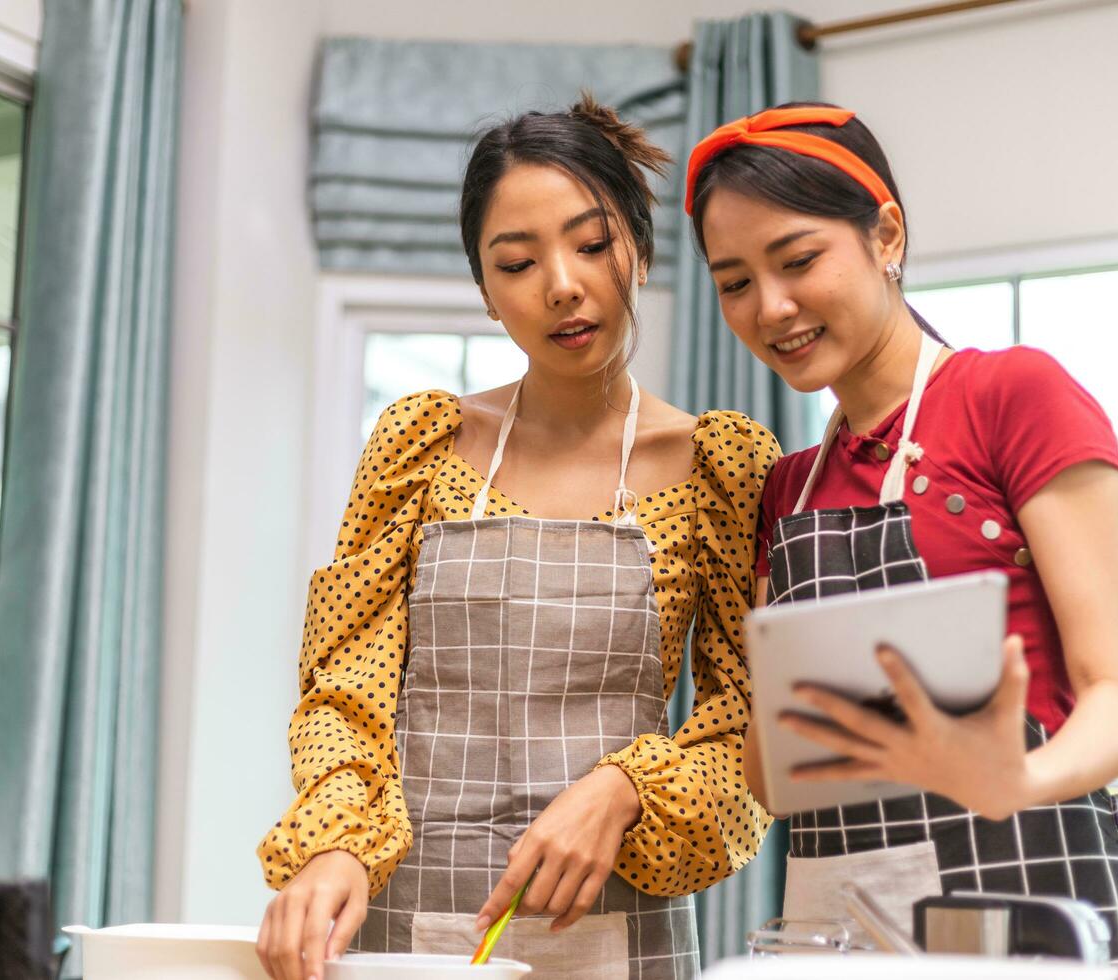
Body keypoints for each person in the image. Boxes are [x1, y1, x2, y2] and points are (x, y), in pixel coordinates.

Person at [255, 95, 780, 980]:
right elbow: (348, 687)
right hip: (406, 929)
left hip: (622, 931)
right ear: (487, 294)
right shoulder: (417, 445)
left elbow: (749, 724)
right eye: (517, 261)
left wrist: (626, 788)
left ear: (641, 252)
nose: (562, 285)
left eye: (590, 243)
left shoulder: (718, 468)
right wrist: (334, 841)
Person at [685, 103, 1118, 965]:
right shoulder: (789, 489)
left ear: (886, 235)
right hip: (840, 935)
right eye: (734, 282)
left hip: (1030, 913)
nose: (772, 307)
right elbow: (770, 782)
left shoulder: (1013, 396)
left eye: (797, 260)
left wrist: (1018, 777)